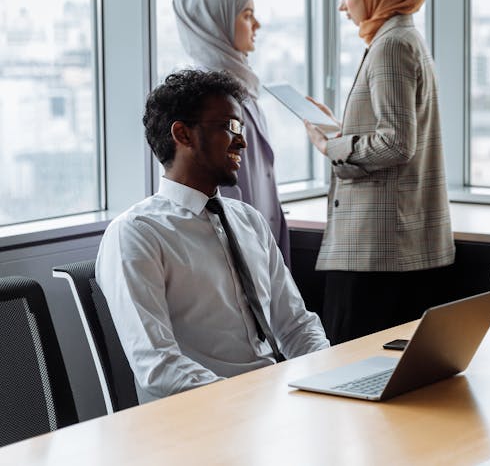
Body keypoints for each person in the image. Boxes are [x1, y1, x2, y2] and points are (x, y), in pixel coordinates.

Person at [96, 70, 329, 402]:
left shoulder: (248, 220)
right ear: (183, 134)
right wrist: (245, 400)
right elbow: (158, 364)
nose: (242, 141)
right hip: (197, 420)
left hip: (267, 406)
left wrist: (329, 374)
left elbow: (295, 326)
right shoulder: (137, 233)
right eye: (230, 127)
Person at [304, 0, 455, 344]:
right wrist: (342, 132)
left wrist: (331, 146)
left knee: (350, 365)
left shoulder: (390, 46)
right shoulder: (403, 38)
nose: (342, 6)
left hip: (376, 250)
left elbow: (397, 143)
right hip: (391, 245)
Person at [172, 0, 291, 266]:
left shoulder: (245, 88)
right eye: (247, 15)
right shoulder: (200, 97)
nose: (257, 25)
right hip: (227, 249)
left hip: (259, 244)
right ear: (216, 25)